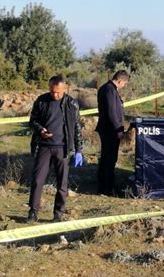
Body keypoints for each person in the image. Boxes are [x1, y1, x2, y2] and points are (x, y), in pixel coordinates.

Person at [28, 75, 83, 223]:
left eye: (58, 92)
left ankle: (58, 214)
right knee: (37, 181)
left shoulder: (72, 103)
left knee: (62, 184)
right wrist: (40, 130)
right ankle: (33, 212)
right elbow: (32, 121)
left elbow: (77, 127)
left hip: (63, 149)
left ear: (64, 89)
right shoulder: (41, 101)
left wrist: (79, 150)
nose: (55, 94)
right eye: (52, 91)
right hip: (44, 147)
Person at [96, 69, 130, 196]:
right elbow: (112, 111)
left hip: (109, 129)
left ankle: (104, 186)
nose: (123, 87)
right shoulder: (109, 90)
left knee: (107, 158)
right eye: (124, 84)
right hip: (110, 130)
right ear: (120, 80)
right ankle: (107, 188)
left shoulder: (108, 89)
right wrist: (118, 129)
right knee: (109, 159)